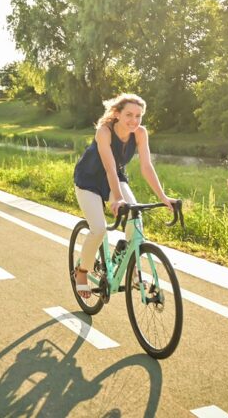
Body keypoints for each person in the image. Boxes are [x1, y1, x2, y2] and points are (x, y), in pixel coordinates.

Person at [72, 93, 176, 298]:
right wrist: (117, 198)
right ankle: (81, 272)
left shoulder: (140, 133)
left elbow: (146, 167)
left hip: (115, 178)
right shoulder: (104, 131)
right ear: (117, 114)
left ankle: (134, 272)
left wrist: (163, 197)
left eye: (139, 116)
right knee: (99, 229)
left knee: (135, 217)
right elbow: (109, 168)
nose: (134, 121)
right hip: (89, 180)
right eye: (129, 114)